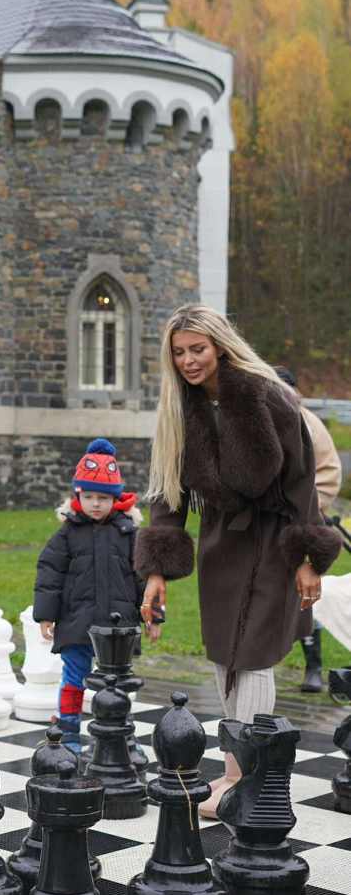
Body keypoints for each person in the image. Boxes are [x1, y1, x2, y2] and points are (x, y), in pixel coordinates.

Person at [135, 305, 341, 819]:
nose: (187, 361)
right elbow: (169, 494)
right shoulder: (180, 409)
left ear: (221, 346)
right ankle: (240, 771)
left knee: (252, 655)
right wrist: (157, 570)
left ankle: (244, 778)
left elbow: (300, 484)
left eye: (197, 349)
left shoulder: (268, 396)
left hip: (274, 541)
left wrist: (308, 557)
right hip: (221, 546)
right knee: (225, 654)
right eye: (179, 352)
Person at [32, 438, 159, 754]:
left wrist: (153, 615)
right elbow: (49, 574)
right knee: (73, 678)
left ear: (116, 499)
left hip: (119, 627)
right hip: (77, 621)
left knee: (117, 684)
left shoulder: (129, 533)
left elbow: (145, 579)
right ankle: (70, 733)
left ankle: (121, 737)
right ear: (77, 496)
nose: (96, 504)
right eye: (88, 496)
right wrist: (46, 614)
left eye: (103, 497)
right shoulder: (67, 533)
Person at [274, 366, 343, 693]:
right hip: (269, 526)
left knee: (305, 595)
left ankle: (313, 667)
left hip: (304, 525)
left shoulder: (308, 426)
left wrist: (304, 508)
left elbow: (328, 476)